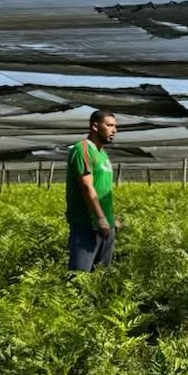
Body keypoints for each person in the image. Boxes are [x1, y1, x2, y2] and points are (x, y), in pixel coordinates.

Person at [66, 110, 119, 271]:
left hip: (105, 226)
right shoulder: (82, 149)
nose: (114, 130)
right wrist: (101, 218)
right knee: (79, 277)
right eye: (109, 125)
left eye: (115, 126)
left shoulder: (103, 154)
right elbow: (86, 186)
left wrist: (110, 219)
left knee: (101, 278)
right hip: (87, 225)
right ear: (95, 126)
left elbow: (102, 189)